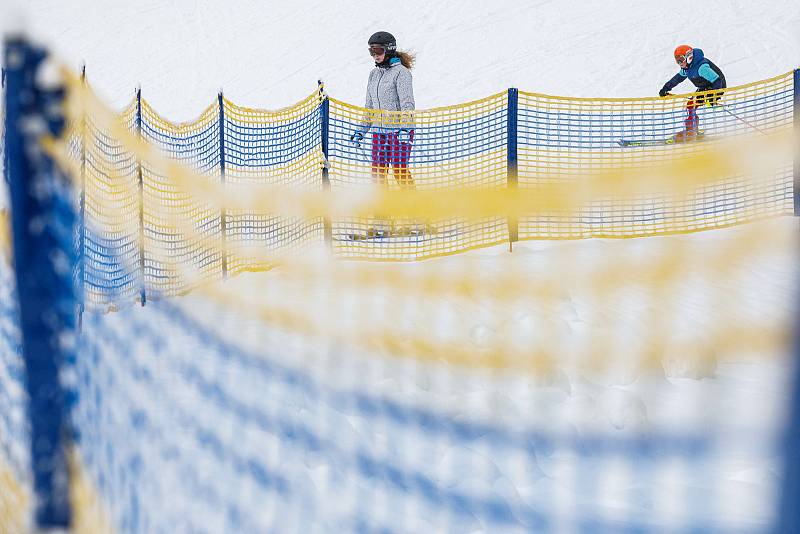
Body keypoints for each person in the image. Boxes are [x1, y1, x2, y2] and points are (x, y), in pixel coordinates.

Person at [350, 31, 418, 236]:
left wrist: (405, 127)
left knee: (399, 172)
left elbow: (407, 104)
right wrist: (361, 131)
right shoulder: (374, 74)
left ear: (388, 50)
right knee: (378, 175)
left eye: (378, 51)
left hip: (399, 131)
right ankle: (382, 220)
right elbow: (369, 107)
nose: (375, 55)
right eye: (371, 51)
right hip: (380, 133)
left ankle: (415, 217)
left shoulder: (401, 73)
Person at [658, 45, 726, 142]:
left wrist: (712, 97)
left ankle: (691, 132)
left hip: (716, 87)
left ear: (689, 57)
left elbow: (717, 81)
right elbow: (678, 78)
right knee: (691, 105)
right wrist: (666, 88)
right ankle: (693, 131)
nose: (679, 63)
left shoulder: (701, 68)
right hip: (705, 87)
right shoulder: (687, 68)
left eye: (681, 59)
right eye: (677, 60)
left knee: (691, 105)